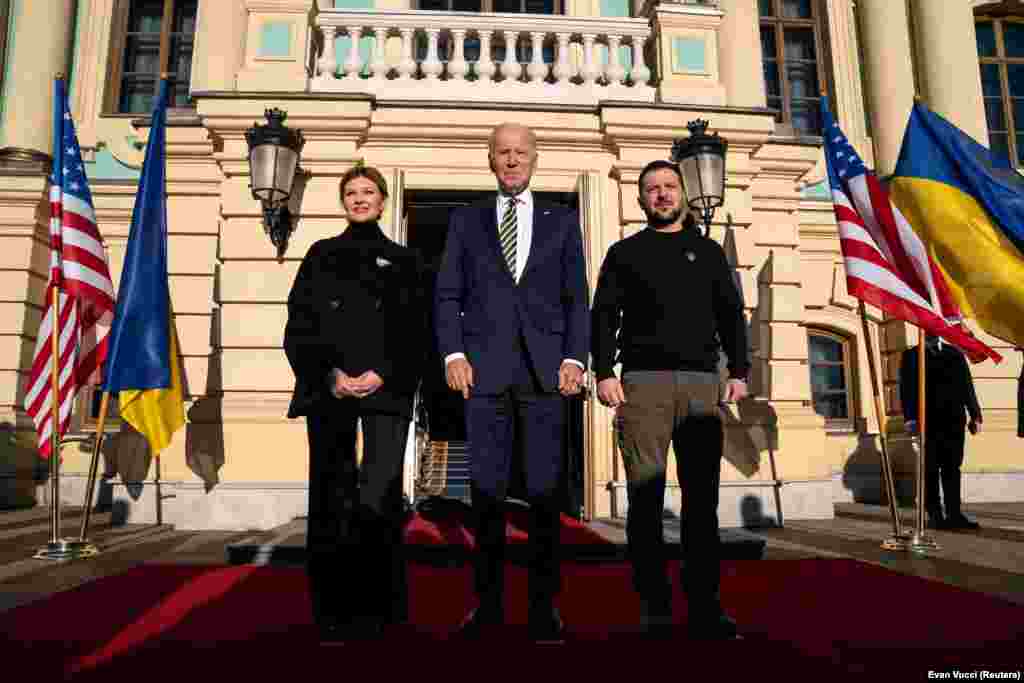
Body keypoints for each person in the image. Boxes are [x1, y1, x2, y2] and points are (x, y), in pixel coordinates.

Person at [434, 122, 590, 643]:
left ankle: (546, 608)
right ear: (490, 159)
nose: (512, 160)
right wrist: (453, 352)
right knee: (487, 496)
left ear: (536, 158)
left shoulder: (563, 221)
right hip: (483, 375)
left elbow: (576, 299)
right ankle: (488, 606)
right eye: (503, 152)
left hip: (547, 375)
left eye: (521, 152)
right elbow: (447, 294)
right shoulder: (465, 220)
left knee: (546, 496)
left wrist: (575, 358)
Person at [591, 159, 749, 640]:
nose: (661, 195)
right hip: (643, 386)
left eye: (669, 186)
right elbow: (603, 315)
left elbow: (730, 314)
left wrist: (739, 371)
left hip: (703, 386)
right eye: (652, 189)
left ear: (681, 193)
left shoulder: (708, 252)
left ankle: (705, 607)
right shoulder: (624, 253)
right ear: (641, 200)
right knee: (644, 502)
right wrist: (603, 371)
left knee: (702, 505)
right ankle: (655, 608)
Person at [284, 164, 426, 643]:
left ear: (383, 201)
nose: (360, 198)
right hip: (330, 395)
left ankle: (383, 610)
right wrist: (331, 376)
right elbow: (298, 327)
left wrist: (383, 372)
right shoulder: (320, 255)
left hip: (386, 393)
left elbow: (417, 331)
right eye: (352, 192)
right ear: (343, 200)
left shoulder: (405, 261)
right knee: (330, 498)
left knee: (380, 499)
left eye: (368, 192)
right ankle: (331, 612)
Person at [900, 333, 983, 530]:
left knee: (952, 468)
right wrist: (910, 419)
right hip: (927, 422)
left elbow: (966, 386)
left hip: (954, 421)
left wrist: (975, 415)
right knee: (930, 469)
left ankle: (955, 514)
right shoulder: (912, 355)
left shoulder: (954, 353)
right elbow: (906, 389)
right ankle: (936, 515)